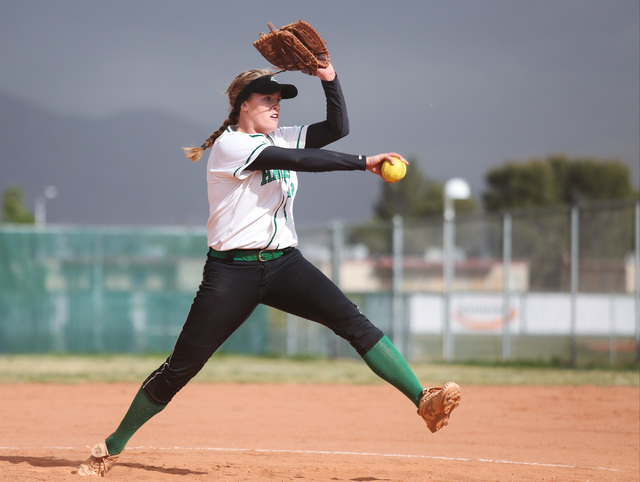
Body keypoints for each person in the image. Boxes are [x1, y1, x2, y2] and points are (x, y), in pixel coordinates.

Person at [77, 62, 461, 477]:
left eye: (278, 101)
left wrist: (329, 76)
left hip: (284, 263)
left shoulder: (276, 135)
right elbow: (301, 160)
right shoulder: (231, 146)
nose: (276, 107)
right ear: (243, 105)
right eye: (267, 100)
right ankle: (109, 448)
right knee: (180, 369)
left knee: (353, 322)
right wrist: (364, 162)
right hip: (231, 273)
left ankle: (424, 400)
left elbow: (337, 126)